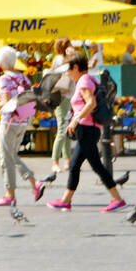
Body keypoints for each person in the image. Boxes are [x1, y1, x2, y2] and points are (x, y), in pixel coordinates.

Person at [47, 50, 127, 212]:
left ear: (76, 67)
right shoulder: (90, 79)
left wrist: (76, 120)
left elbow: (91, 104)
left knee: (95, 166)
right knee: (77, 165)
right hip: (90, 128)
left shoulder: (83, 81)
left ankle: (117, 199)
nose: (68, 74)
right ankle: (66, 200)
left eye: (69, 70)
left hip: (87, 128)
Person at [0, 46, 46, 206]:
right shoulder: (24, 78)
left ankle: (13, 193)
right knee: (12, 155)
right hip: (23, 121)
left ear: (1, 63)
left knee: (6, 157)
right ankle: (32, 184)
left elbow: (6, 102)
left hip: (9, 121)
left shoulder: (4, 79)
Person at [48, 37, 74, 174]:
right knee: (62, 130)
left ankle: (67, 160)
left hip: (70, 96)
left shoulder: (69, 58)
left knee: (67, 130)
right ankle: (55, 162)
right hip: (62, 96)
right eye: (69, 45)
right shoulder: (60, 59)